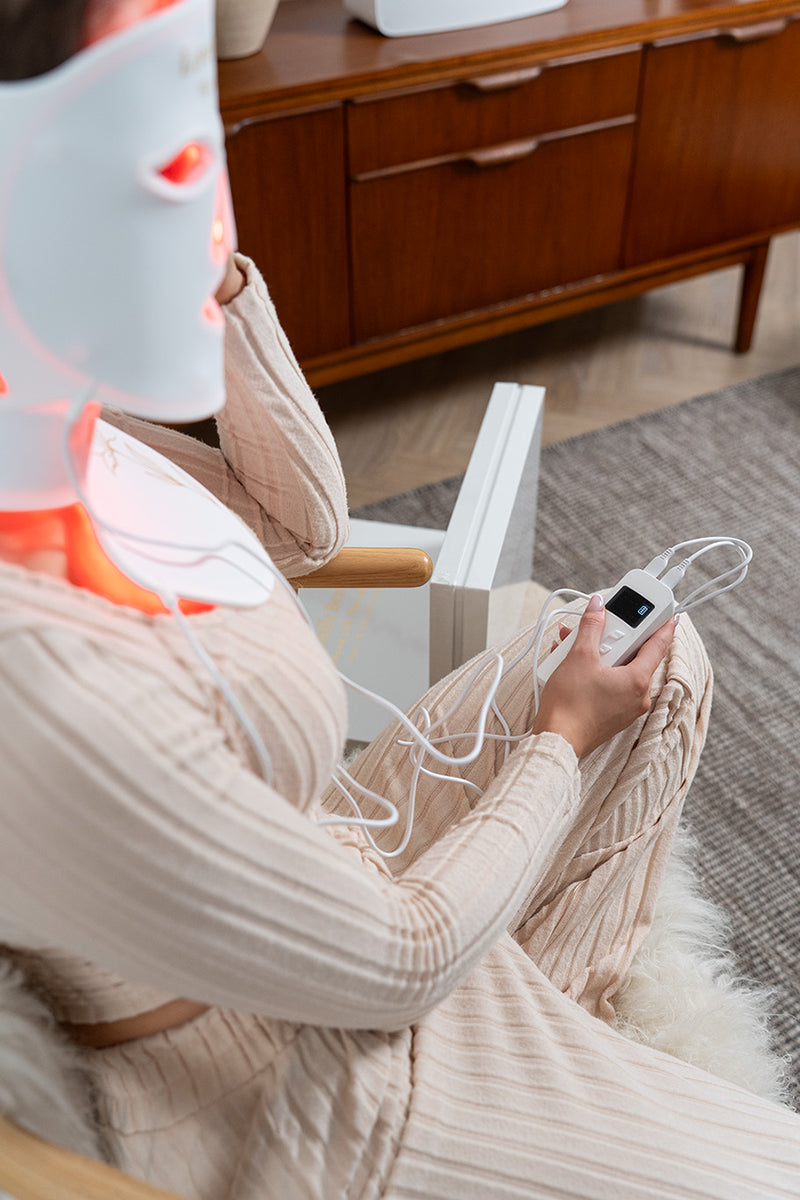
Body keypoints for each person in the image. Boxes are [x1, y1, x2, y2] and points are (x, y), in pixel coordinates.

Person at [1, 3, 799, 1199]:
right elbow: (400, 962)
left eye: (196, 131)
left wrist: (218, 290)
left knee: (654, 657)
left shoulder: (66, 432)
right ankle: (564, 1094)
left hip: (338, 869)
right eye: (150, 152)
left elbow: (301, 527)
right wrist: (555, 740)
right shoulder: (38, 672)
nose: (205, 199)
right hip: (302, 1075)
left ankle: (574, 1026)